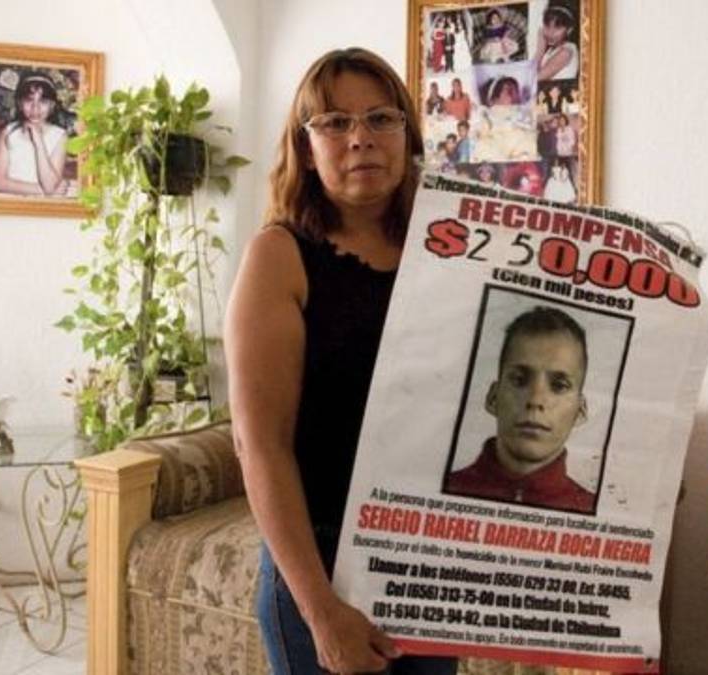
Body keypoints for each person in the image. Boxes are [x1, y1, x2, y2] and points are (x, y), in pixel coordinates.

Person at [225, 47, 457, 675]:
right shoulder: (279, 256)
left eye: (381, 118)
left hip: (427, 561)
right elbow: (259, 445)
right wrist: (320, 611)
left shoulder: (449, 250)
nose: (361, 138)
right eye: (334, 122)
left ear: (407, 136)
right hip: (321, 563)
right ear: (306, 148)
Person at [445, 306, 595, 513]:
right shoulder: (443, 487)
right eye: (519, 380)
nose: (535, 400)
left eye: (559, 386)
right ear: (493, 398)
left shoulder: (593, 509)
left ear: (580, 411)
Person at [0, 72, 68, 197]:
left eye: (43, 101)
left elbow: (49, 185)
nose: (35, 108)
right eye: (29, 100)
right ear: (20, 104)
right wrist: (42, 191)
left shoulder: (60, 136)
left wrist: (39, 142)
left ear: (52, 105)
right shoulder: (7, 133)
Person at [535, 5, 579, 81]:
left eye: (557, 28)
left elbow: (535, 79)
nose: (551, 32)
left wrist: (540, 49)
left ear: (569, 30)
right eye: (547, 26)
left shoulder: (566, 52)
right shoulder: (552, 50)